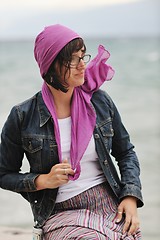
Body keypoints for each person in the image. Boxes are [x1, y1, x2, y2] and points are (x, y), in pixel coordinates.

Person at [0, 24, 143, 240]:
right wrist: (42, 180)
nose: (82, 65)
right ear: (51, 66)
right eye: (72, 60)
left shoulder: (100, 101)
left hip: (108, 201)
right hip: (59, 211)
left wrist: (130, 197)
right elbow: (3, 173)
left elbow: (126, 153)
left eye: (83, 56)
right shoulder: (22, 115)